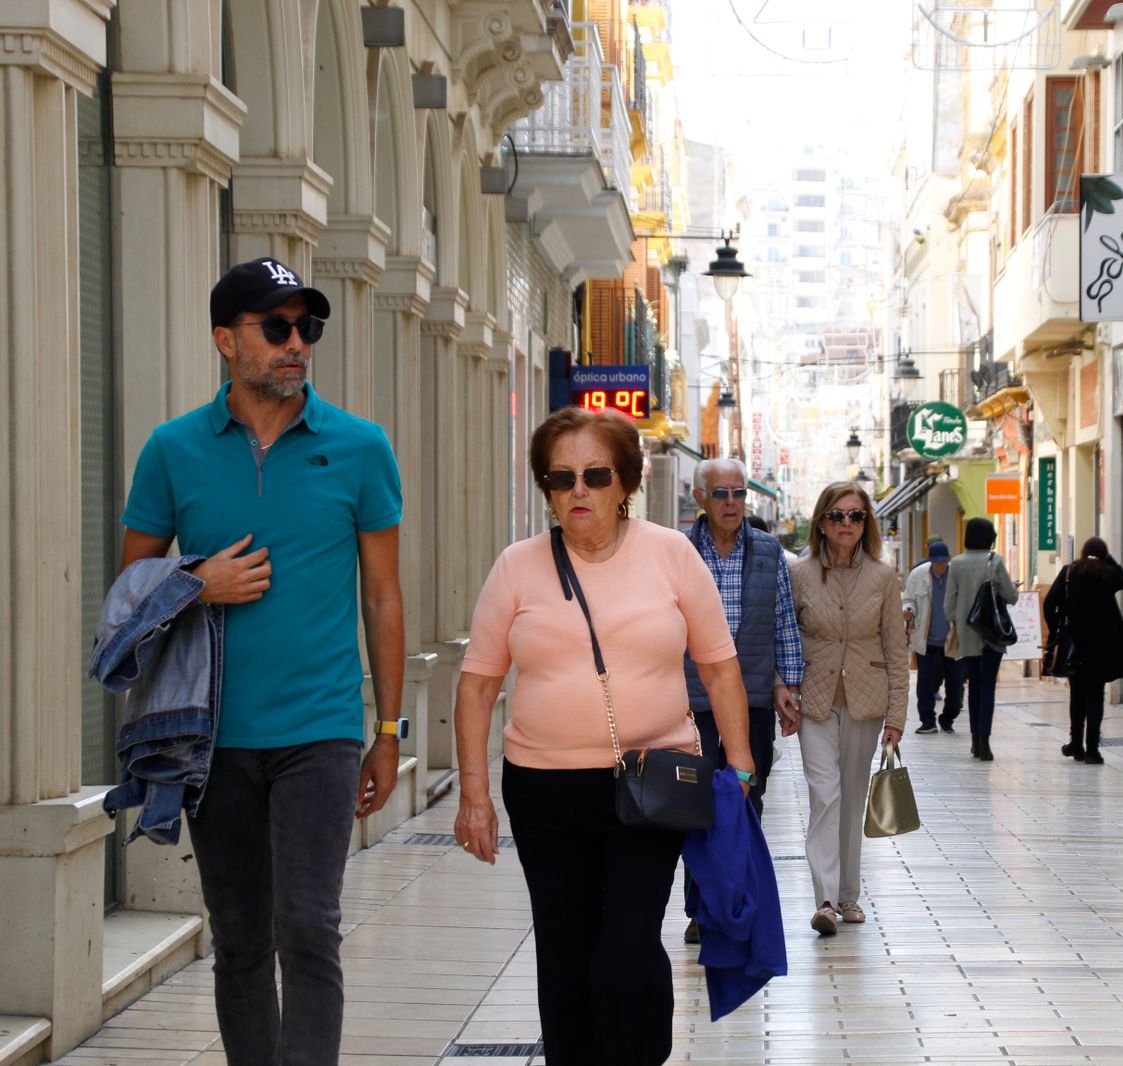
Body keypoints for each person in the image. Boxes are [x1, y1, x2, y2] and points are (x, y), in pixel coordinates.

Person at [119, 257, 406, 1064]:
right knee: (242, 938)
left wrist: (388, 728)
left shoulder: (358, 447)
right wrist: (195, 583)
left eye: (306, 328)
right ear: (225, 340)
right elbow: (129, 590)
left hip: (319, 727)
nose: (296, 345)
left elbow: (382, 597)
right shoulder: (172, 450)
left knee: (308, 926)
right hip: (209, 732)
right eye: (275, 328)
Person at [453, 407, 756, 1066]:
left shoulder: (672, 555)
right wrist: (473, 795)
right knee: (565, 947)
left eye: (595, 475)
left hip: (654, 782)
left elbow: (719, 666)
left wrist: (739, 767)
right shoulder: (517, 567)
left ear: (625, 483)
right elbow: (477, 685)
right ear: (547, 489)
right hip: (543, 790)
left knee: (626, 943)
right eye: (562, 479)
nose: (579, 492)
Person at [680, 457, 804, 943]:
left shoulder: (770, 552)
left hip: (750, 697)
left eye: (738, 494)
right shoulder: (678, 551)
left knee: (746, 802)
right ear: (700, 501)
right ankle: (702, 908)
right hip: (690, 701)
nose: (731, 503)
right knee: (695, 805)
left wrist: (788, 687)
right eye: (721, 494)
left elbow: (784, 623)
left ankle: (734, 903)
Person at [789, 482, 909, 935]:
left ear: (866, 524)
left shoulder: (882, 575)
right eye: (837, 515)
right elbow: (785, 639)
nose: (846, 524)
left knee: (853, 799)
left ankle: (848, 896)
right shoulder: (799, 574)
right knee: (826, 795)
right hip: (814, 701)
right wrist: (784, 686)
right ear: (821, 521)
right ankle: (823, 899)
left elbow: (897, 651)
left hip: (866, 701)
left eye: (856, 516)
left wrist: (896, 717)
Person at [1044, 537, 1123, 765]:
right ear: (1104, 555)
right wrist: (1106, 558)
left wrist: (1056, 627)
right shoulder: (1106, 574)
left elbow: (1049, 603)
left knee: (1077, 695)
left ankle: (1076, 744)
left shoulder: (1069, 572)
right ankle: (1093, 749)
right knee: (1095, 695)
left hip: (1075, 644)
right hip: (1102, 646)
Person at [944, 518, 1018, 761]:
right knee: (988, 688)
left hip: (968, 635)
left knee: (974, 686)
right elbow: (1010, 595)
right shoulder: (994, 561)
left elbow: (948, 606)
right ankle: (984, 742)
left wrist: (961, 620)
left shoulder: (956, 564)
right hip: (992, 637)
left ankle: (975, 740)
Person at [903, 540, 964, 734]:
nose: (940, 566)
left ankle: (948, 717)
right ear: (930, 561)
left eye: (943, 562)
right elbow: (909, 600)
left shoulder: (958, 574)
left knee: (956, 686)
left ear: (948, 559)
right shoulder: (918, 575)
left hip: (952, 640)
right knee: (925, 684)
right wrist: (908, 610)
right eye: (936, 562)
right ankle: (927, 721)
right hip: (926, 640)